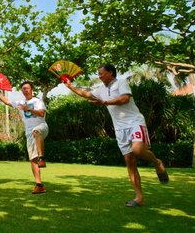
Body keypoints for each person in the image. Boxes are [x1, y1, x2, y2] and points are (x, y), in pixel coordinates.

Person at [63, 64, 169, 207]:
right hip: (119, 129)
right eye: (98, 74)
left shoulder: (121, 82)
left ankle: (157, 163)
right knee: (130, 161)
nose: (99, 76)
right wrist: (70, 86)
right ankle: (139, 198)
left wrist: (105, 102)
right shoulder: (101, 90)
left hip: (134, 122)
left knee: (137, 149)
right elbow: (86, 94)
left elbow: (124, 99)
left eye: (101, 73)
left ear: (110, 72)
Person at [0, 81, 48, 194]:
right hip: (29, 133)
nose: (25, 90)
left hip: (41, 126)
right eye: (23, 88)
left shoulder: (38, 101)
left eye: (27, 88)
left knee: (36, 131)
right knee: (33, 159)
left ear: (31, 89)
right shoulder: (20, 102)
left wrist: (28, 109)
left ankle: (42, 158)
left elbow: (42, 114)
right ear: (21, 91)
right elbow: (7, 101)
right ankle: (39, 185)